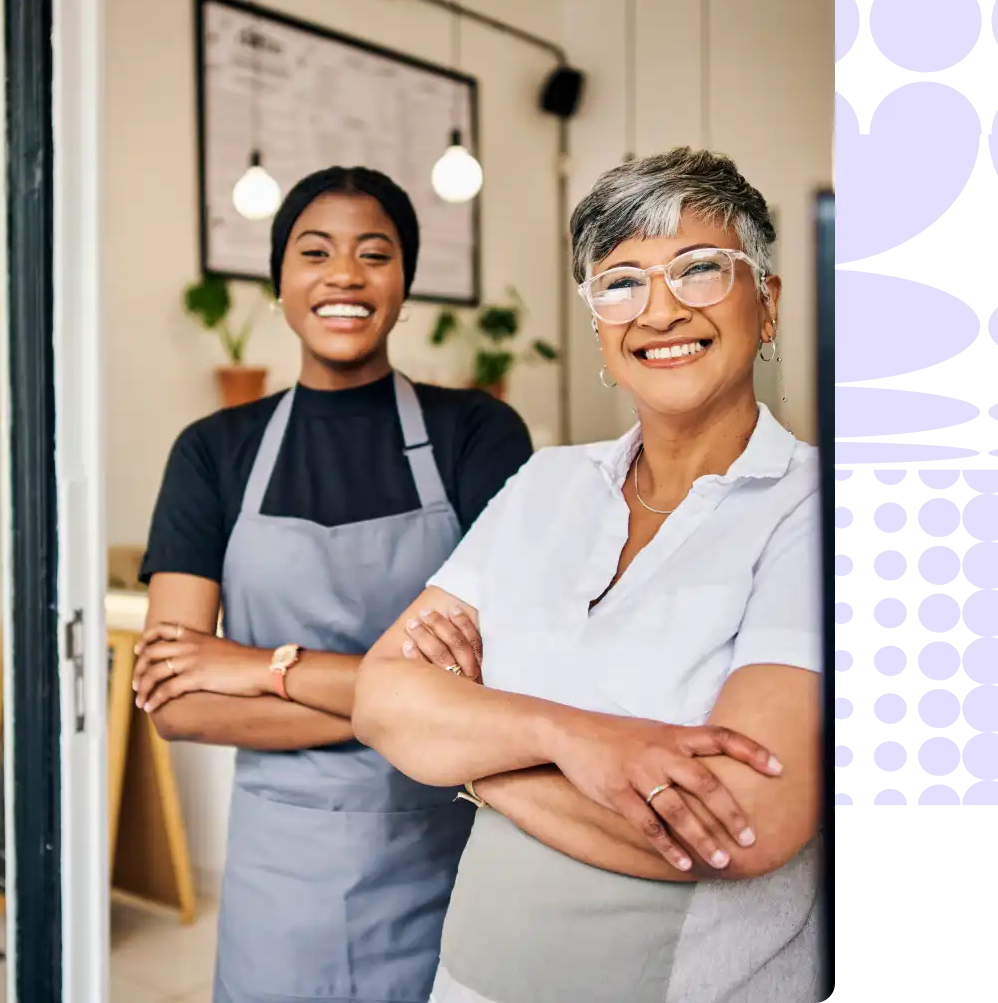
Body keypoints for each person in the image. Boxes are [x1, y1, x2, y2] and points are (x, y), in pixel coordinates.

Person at [352, 147, 823, 1003]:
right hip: (470, 981)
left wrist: (477, 759)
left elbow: (743, 823)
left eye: (699, 269)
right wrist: (578, 740)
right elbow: (381, 698)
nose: (661, 309)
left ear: (768, 303)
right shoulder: (546, 484)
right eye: (621, 282)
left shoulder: (814, 505)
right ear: (600, 326)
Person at [130, 166, 533, 1003]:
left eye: (374, 254)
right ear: (280, 283)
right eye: (315, 252)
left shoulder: (478, 434)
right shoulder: (213, 451)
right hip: (283, 878)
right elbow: (176, 702)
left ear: (405, 284)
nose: (344, 274)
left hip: (450, 854)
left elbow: (502, 678)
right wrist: (412, 707)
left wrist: (256, 666)